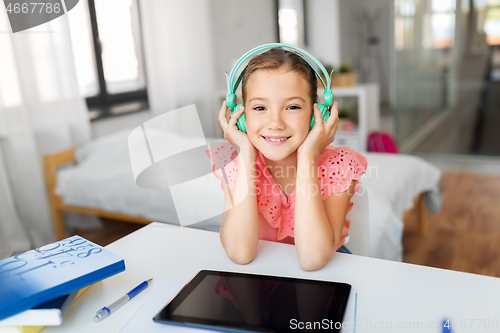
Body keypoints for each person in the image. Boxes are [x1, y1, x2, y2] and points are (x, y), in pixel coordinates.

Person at [206, 47, 367, 271]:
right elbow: (240, 252)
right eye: (260, 107)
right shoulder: (235, 163)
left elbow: (312, 259)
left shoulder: (339, 166)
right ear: (241, 116)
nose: (275, 123)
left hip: (325, 277)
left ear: (317, 114)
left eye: (292, 107)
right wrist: (246, 151)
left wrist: (308, 156)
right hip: (262, 274)